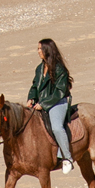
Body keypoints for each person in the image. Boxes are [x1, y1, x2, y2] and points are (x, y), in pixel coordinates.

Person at [26, 38, 74, 172]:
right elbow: (35, 86)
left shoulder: (59, 69)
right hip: (42, 103)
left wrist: (44, 104)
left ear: (47, 50)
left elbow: (59, 91)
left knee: (57, 127)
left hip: (57, 103)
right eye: (38, 49)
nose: (38, 51)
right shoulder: (39, 68)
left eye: (40, 49)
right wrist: (31, 98)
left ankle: (67, 157)